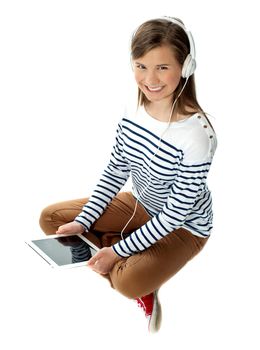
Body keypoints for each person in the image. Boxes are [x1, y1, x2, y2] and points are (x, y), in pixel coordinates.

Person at [39, 16, 217, 333]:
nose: (150, 79)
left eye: (163, 67)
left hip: (184, 228)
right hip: (140, 205)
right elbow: (116, 169)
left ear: (186, 67)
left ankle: (128, 259)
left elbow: (175, 214)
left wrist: (118, 251)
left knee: (127, 282)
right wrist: (84, 221)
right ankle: (123, 247)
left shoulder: (198, 135)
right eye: (141, 66)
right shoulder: (131, 110)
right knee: (53, 220)